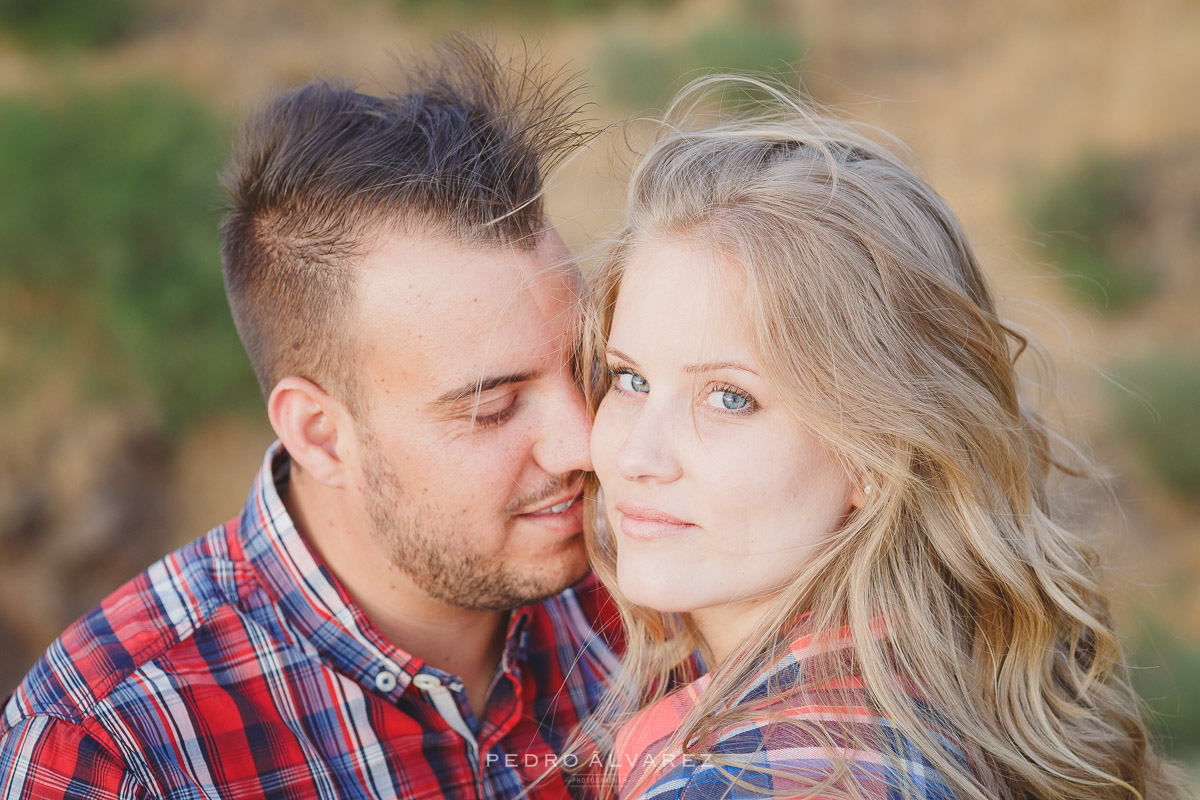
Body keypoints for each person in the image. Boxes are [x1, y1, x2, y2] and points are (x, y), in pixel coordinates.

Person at [0, 39, 621, 799]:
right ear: (320, 434)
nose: (585, 440)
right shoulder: (111, 750)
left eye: (589, 368)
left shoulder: (660, 584)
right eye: (492, 407)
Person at [576, 77, 1189, 800]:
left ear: (875, 455)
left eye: (730, 398)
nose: (634, 456)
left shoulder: (764, 781)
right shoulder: (949, 698)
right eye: (629, 378)